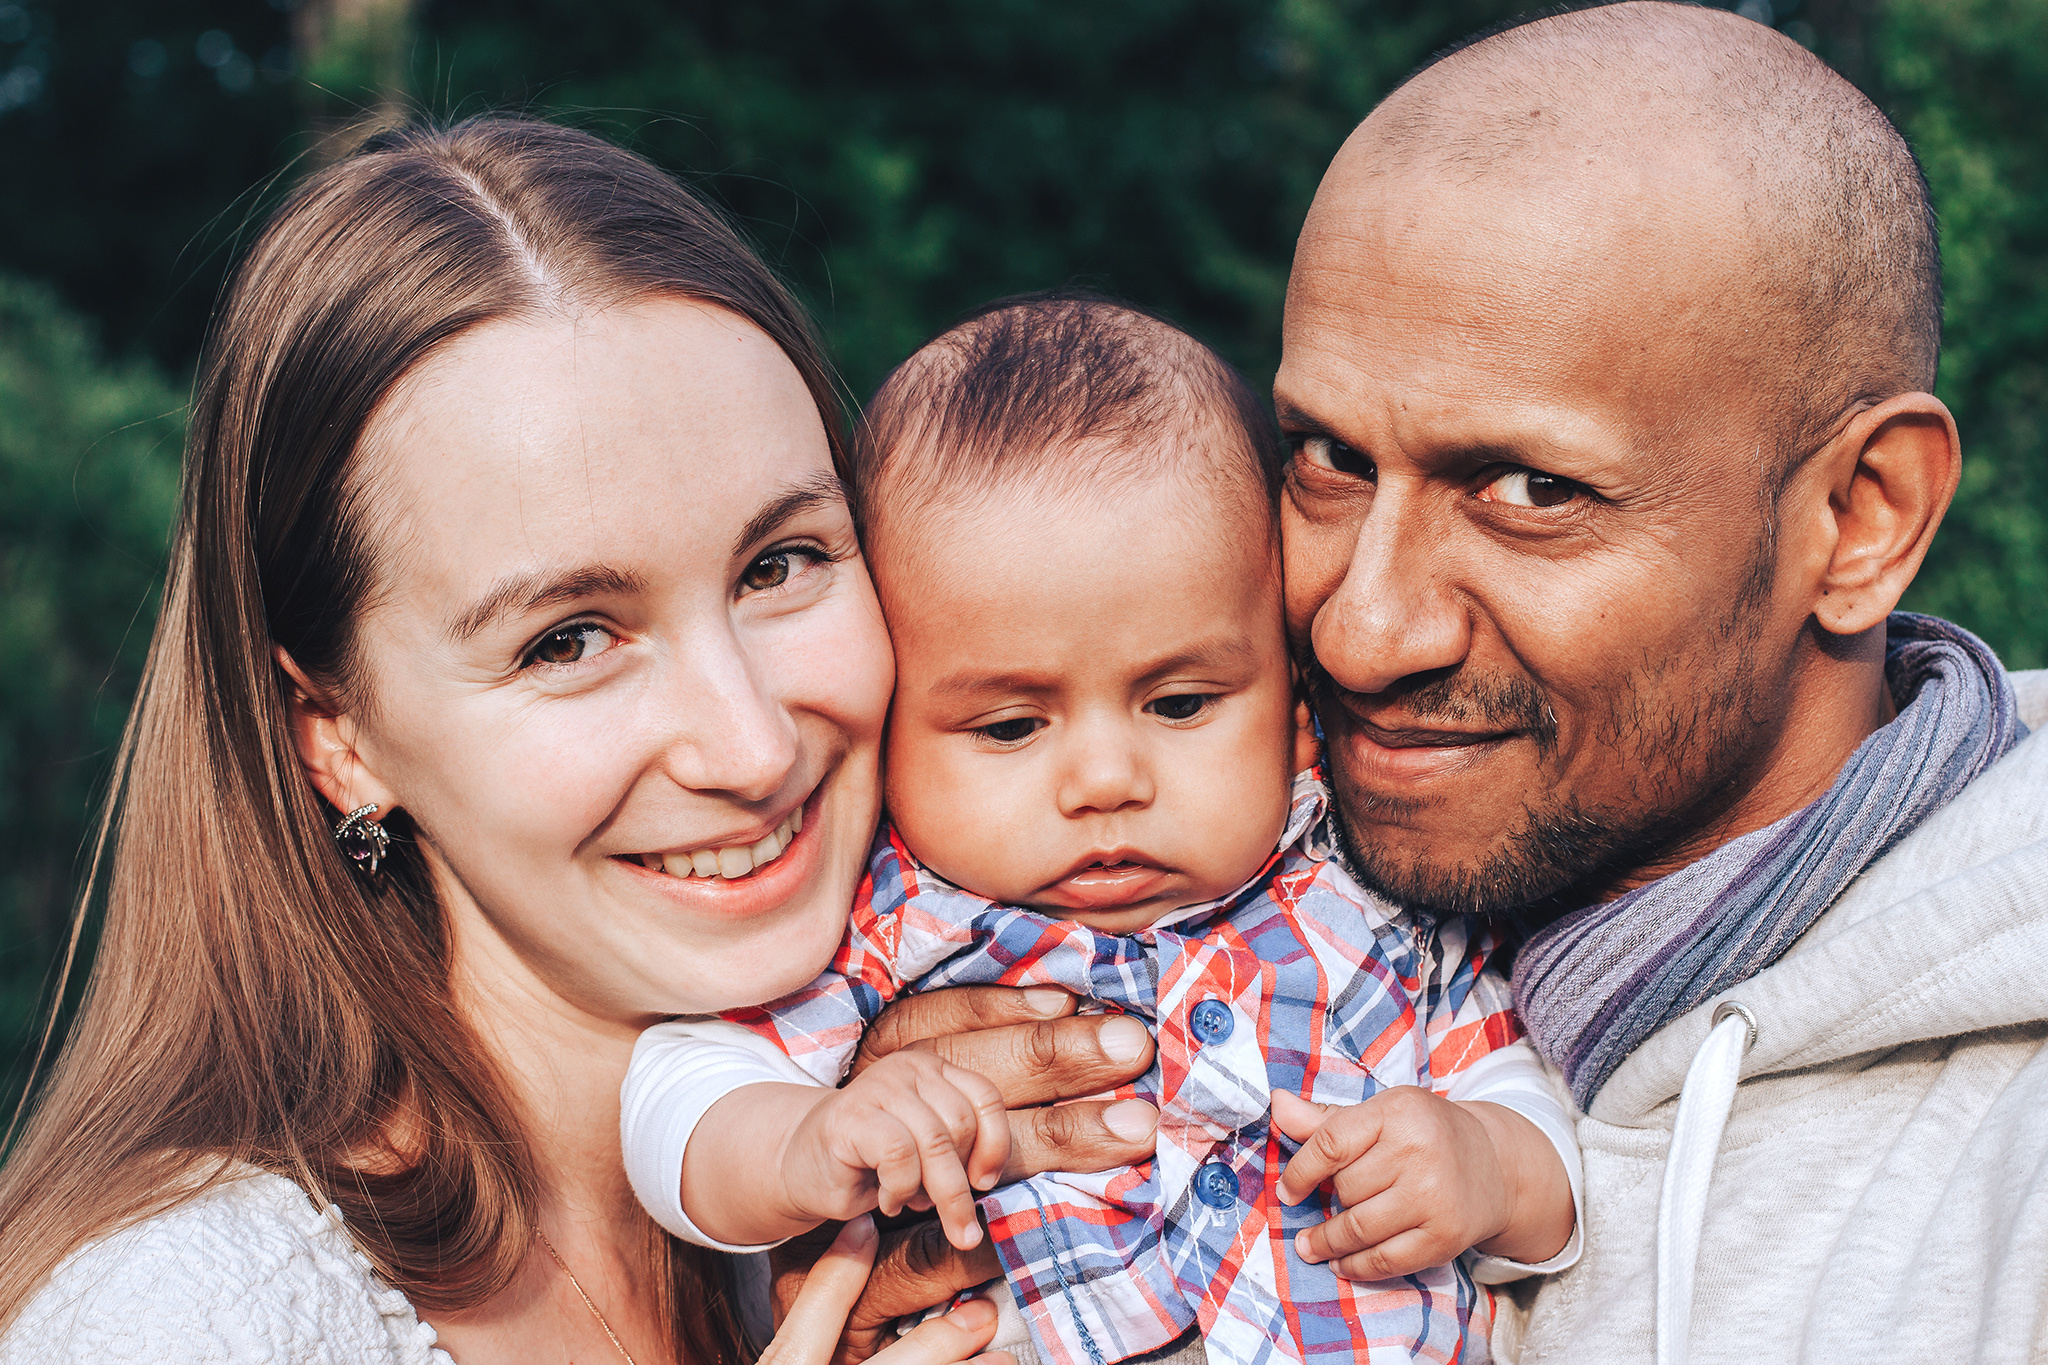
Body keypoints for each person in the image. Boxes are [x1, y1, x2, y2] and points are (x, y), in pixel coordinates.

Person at [0, 116, 1152, 1365]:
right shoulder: (190, 1319)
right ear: (335, 738)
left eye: (781, 564)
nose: (750, 746)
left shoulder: (959, 1156)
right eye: (567, 640)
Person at [1272, 3, 2048, 1361]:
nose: (1362, 633)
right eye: (1329, 458)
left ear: (1858, 520)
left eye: (1530, 490)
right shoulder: (1130, 906)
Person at [623, 295, 1580, 1365]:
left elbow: (1531, 1119)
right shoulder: (893, 924)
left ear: (1297, 719)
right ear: (893, 736)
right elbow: (679, 1098)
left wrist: (1488, 1169)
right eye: (1010, 725)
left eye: (1177, 705)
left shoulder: (1373, 897)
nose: (1104, 780)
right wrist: (804, 1142)